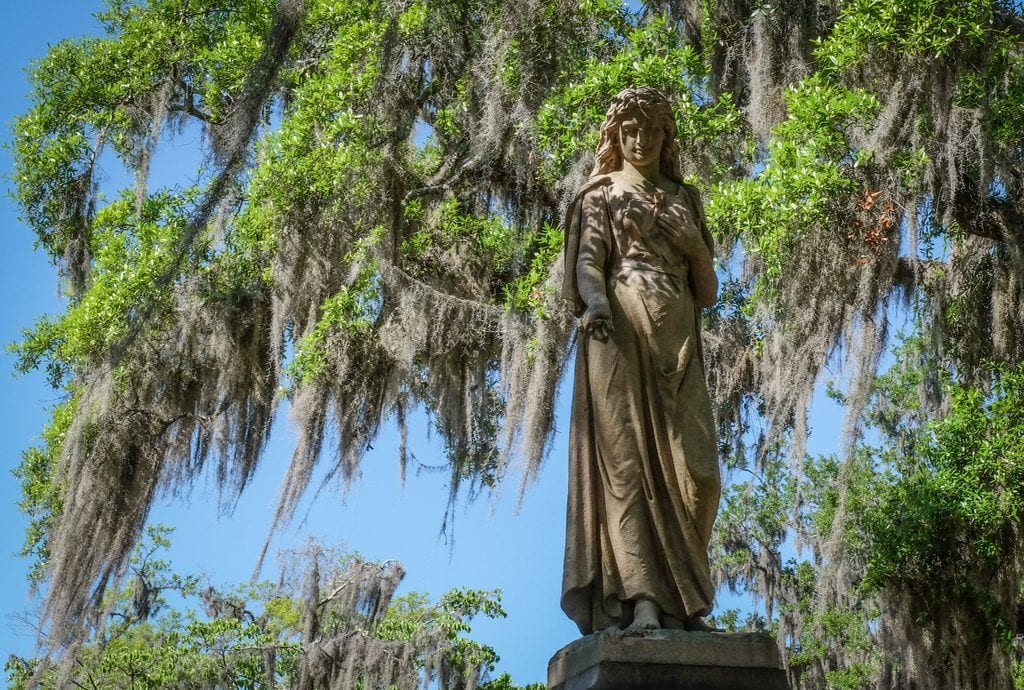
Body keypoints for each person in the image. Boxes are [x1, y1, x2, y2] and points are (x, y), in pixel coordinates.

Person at [560, 87, 720, 634]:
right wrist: (599, 302)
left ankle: (683, 599)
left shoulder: (684, 198)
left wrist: (695, 247)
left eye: (652, 130)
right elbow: (587, 263)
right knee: (627, 473)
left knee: (700, 476)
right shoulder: (600, 194)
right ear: (616, 136)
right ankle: (646, 601)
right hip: (621, 335)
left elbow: (708, 290)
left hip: (680, 341)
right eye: (631, 130)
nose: (641, 139)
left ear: (665, 137)